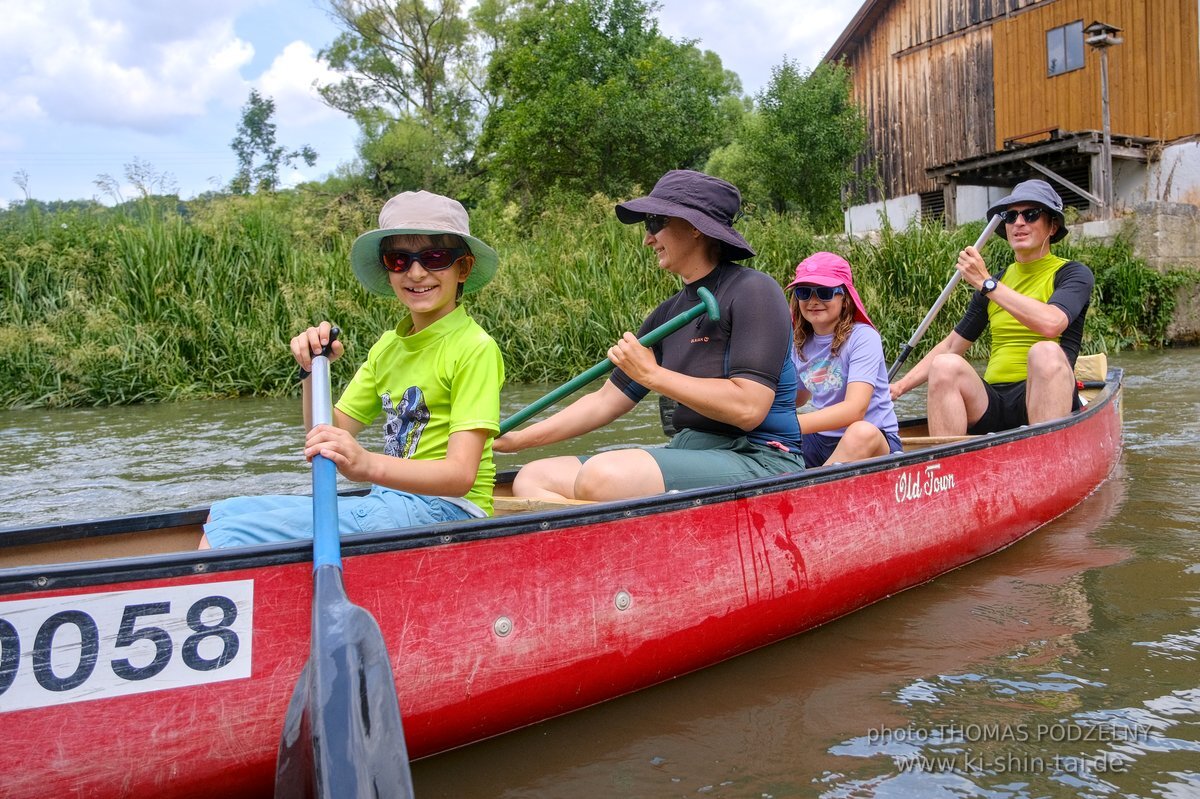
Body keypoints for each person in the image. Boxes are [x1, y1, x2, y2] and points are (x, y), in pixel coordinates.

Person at [200, 191, 504, 549]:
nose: (416, 272)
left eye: (435, 258)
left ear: (463, 268)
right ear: (387, 269)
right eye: (399, 259)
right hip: (392, 500)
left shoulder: (474, 348)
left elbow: (459, 476)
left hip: (449, 510)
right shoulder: (388, 347)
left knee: (227, 538)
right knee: (222, 515)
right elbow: (327, 431)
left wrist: (365, 464)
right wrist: (313, 370)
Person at [493, 169, 804, 501]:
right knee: (533, 478)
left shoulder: (755, 291)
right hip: (690, 449)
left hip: (761, 456)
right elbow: (605, 401)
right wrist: (518, 439)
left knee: (603, 476)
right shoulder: (666, 314)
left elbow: (749, 407)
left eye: (655, 222)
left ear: (696, 227)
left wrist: (652, 374)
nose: (647, 238)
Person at [889, 178, 1094, 436]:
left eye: (1030, 214)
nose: (1019, 222)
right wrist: (899, 387)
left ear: (1052, 226)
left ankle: (1047, 455)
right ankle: (945, 470)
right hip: (994, 401)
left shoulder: (1072, 273)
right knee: (945, 364)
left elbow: (1052, 324)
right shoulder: (996, 283)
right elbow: (952, 345)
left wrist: (987, 284)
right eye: (1010, 216)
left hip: (1046, 397)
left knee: (1045, 352)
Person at [787, 251, 902, 467]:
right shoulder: (798, 342)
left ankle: (811, 490)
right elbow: (798, 397)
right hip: (820, 439)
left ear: (845, 298)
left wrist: (788, 424)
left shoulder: (863, 337)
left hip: (873, 440)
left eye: (824, 292)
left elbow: (854, 410)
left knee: (861, 432)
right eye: (804, 292)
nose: (813, 301)